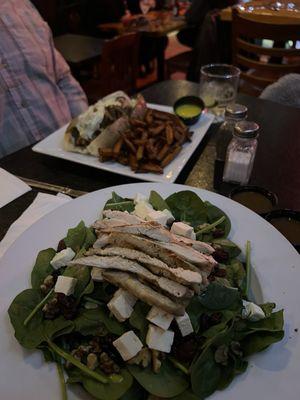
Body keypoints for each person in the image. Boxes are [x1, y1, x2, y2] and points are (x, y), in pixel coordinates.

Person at [0, 0, 88, 159]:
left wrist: (85, 133)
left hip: (68, 150)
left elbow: (64, 78)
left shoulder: (21, 6)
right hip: (10, 175)